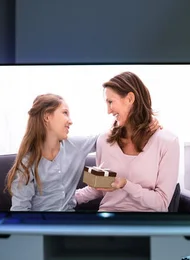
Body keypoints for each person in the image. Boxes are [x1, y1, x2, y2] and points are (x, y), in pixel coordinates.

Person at [74, 71, 180, 212]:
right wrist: (63, 200)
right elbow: (98, 189)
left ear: (130, 98)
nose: (108, 111)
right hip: (109, 221)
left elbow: (161, 203)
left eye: (111, 102)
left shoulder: (168, 141)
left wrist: (125, 184)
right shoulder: (105, 140)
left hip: (148, 223)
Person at [6, 93, 99, 212]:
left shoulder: (76, 146)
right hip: (40, 226)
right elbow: (20, 210)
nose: (70, 121)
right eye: (65, 113)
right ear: (47, 117)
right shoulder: (27, 162)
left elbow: (107, 138)